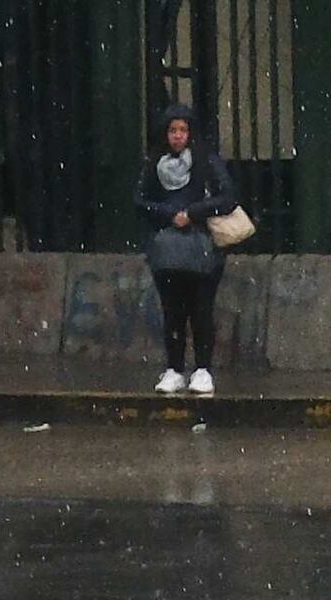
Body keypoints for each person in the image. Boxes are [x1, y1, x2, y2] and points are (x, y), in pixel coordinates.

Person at [139, 113, 233, 397]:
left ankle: (203, 368)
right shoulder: (154, 165)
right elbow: (141, 201)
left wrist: (193, 213)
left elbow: (228, 197)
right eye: (172, 130)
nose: (178, 136)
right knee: (173, 311)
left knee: (201, 308)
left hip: (202, 247)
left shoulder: (206, 162)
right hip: (167, 251)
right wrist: (170, 214)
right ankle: (175, 368)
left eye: (183, 130)